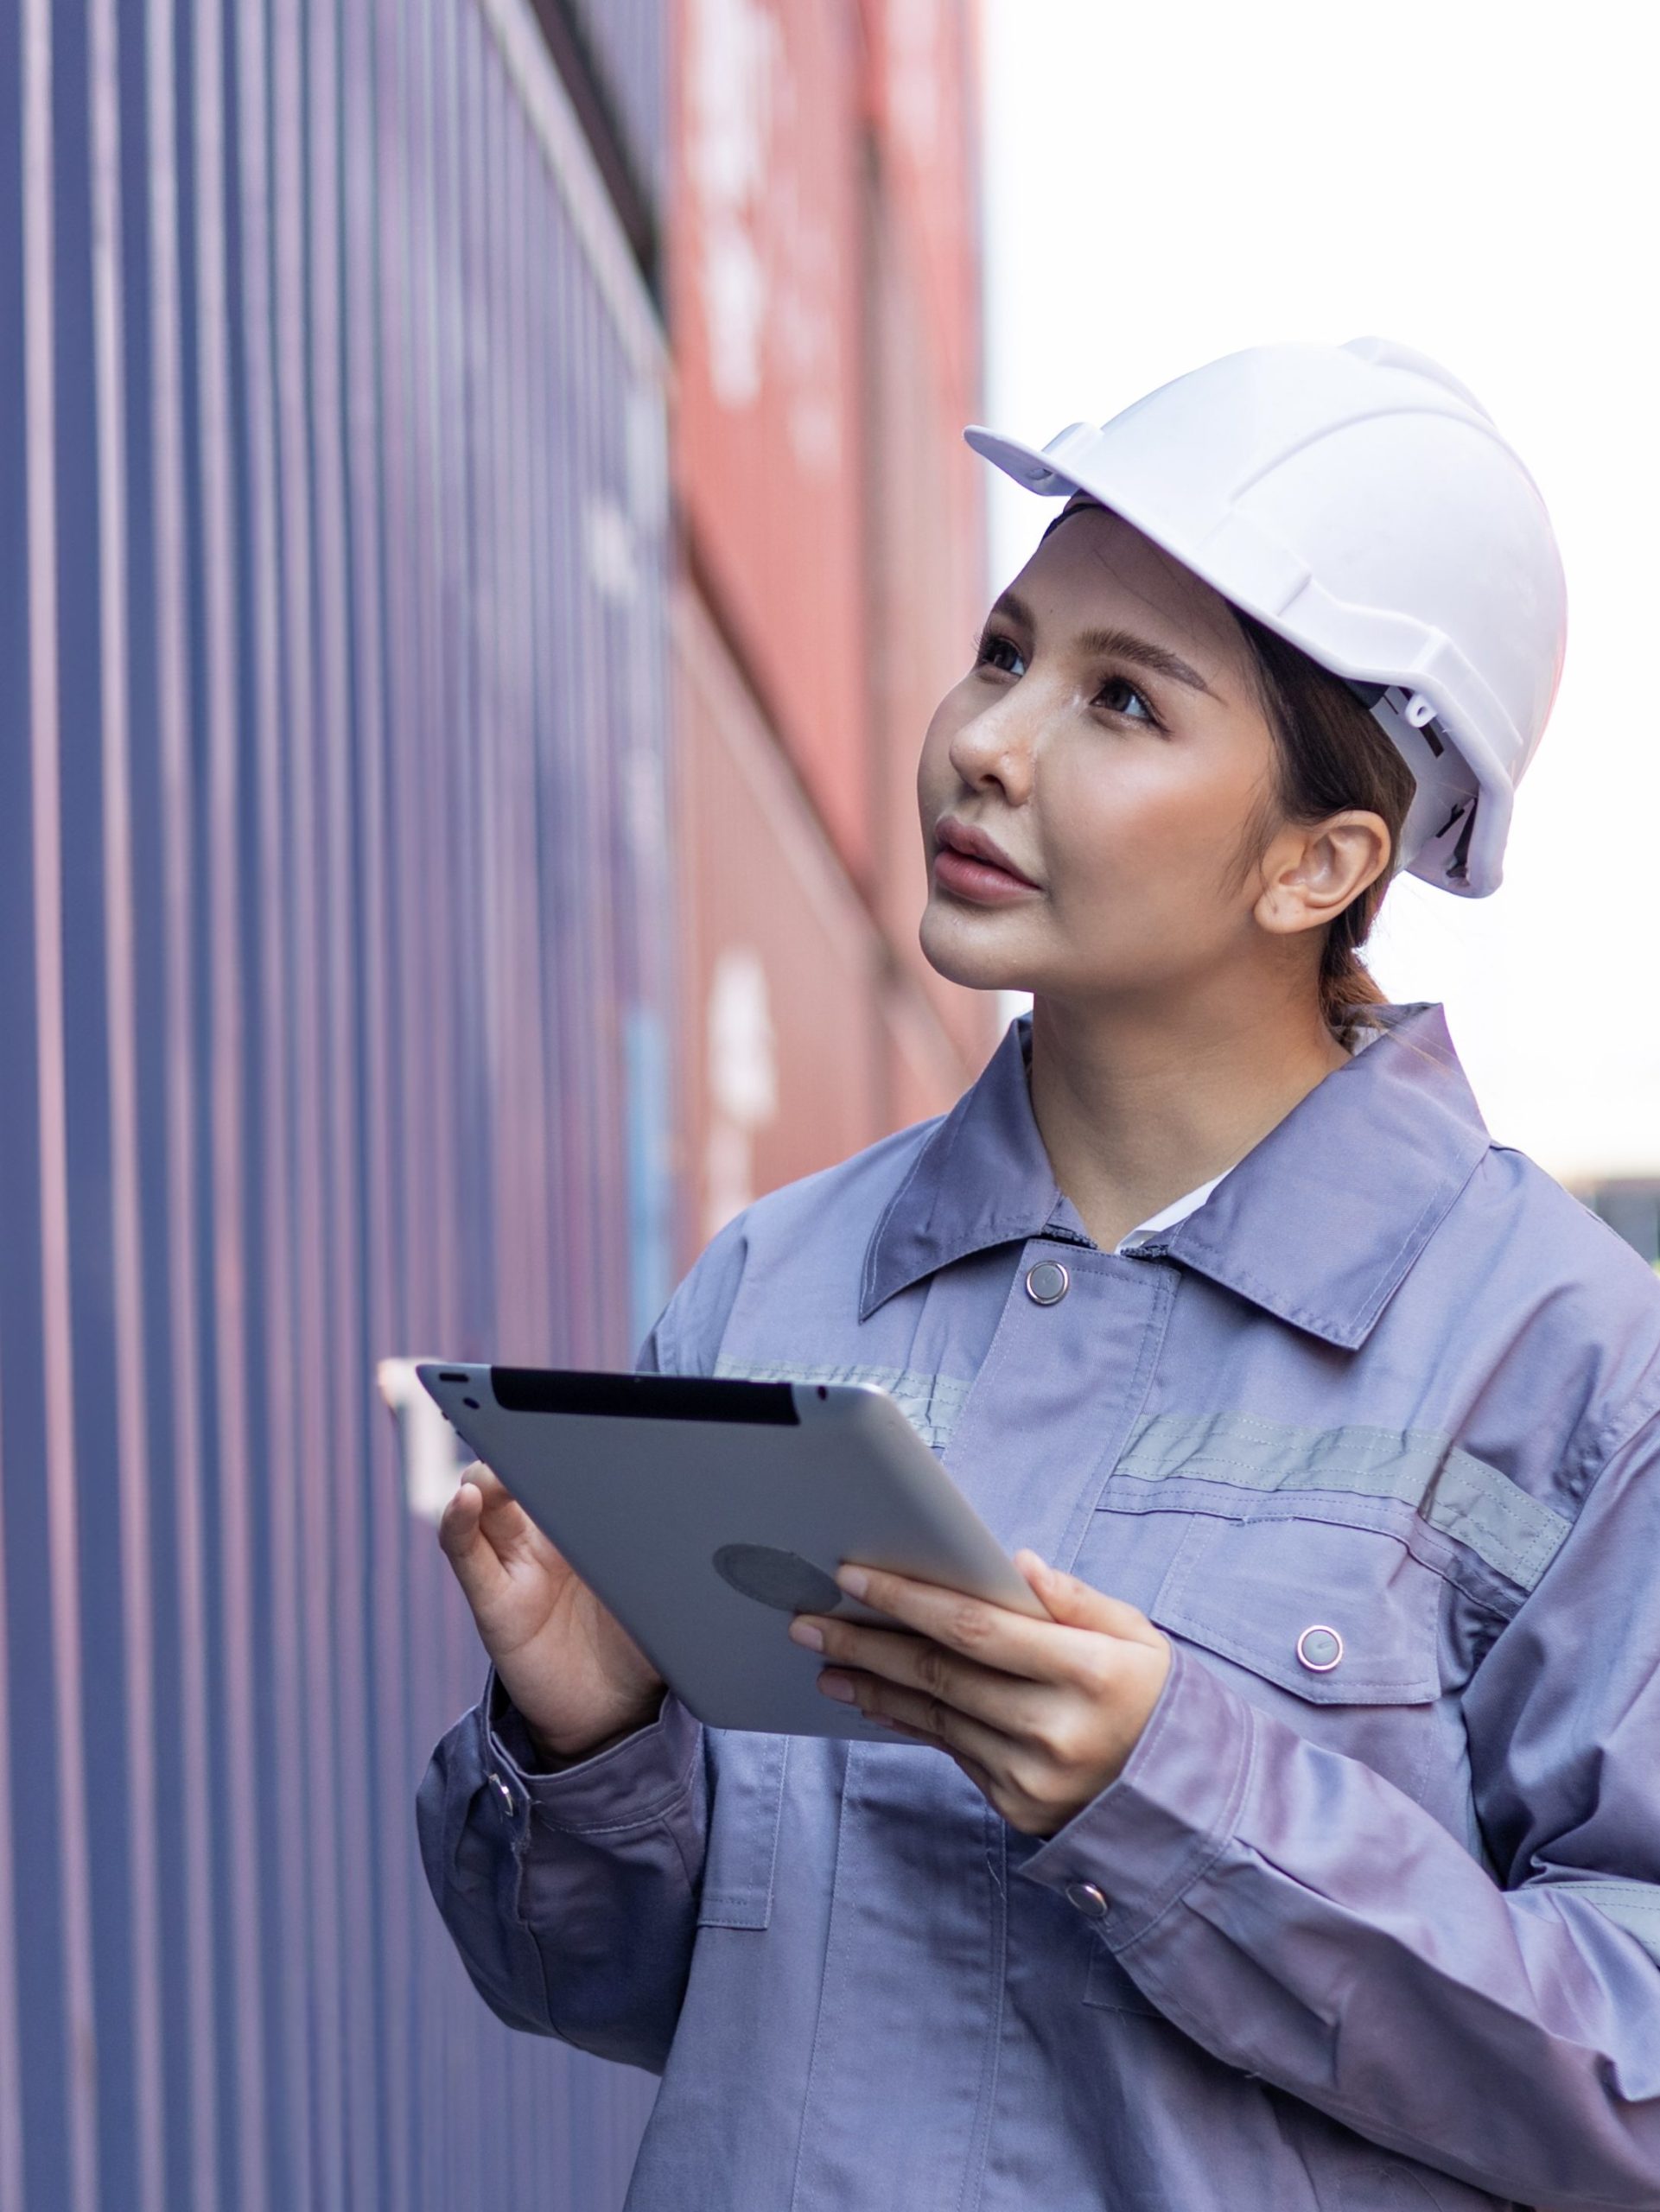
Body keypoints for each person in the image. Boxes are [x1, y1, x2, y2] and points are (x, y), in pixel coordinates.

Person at [417, 339, 1660, 2210]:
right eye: (1004, 651)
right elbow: (614, 1986)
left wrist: (1183, 1793)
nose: (986, 739)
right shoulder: (779, 1280)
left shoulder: (1567, 1364)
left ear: (1319, 860)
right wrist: (587, 1745)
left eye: (1122, 701)